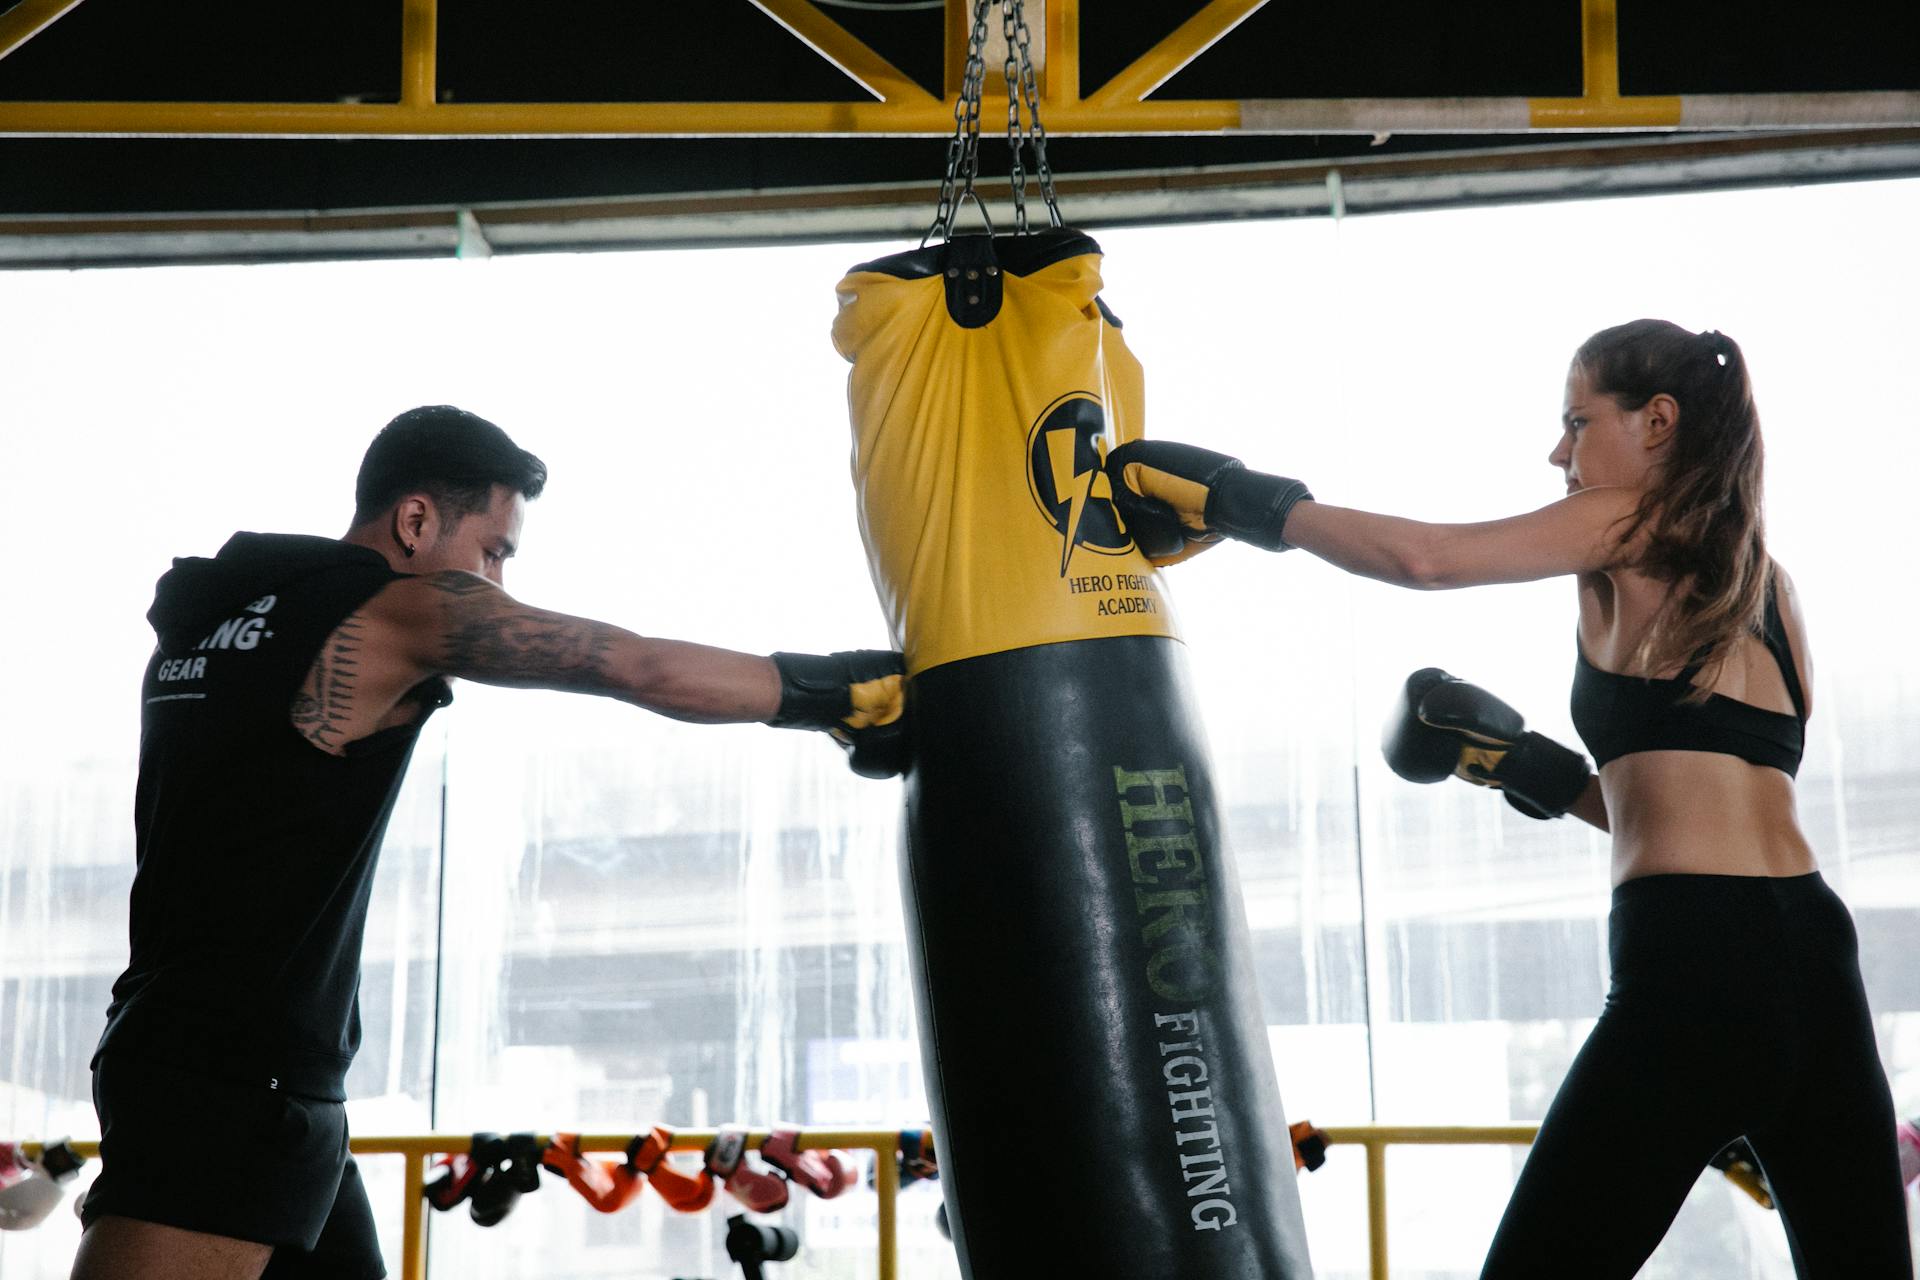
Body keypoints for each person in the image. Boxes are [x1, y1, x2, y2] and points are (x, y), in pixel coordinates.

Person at [1105, 320, 1911, 1278]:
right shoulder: (1770, 589)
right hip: (1814, 953)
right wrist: (1525, 768)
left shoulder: (1630, 522)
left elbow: (1427, 559)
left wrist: (1242, 500)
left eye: (1578, 421)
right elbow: (1690, 805)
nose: (1558, 452)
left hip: (1694, 957)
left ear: (1658, 422)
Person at [72, 405, 905, 1280]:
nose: (497, 584)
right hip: (232, 1083)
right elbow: (634, 665)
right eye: (496, 550)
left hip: (252, 1075)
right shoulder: (394, 612)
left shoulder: (211, 624)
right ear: (416, 520)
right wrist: (843, 694)